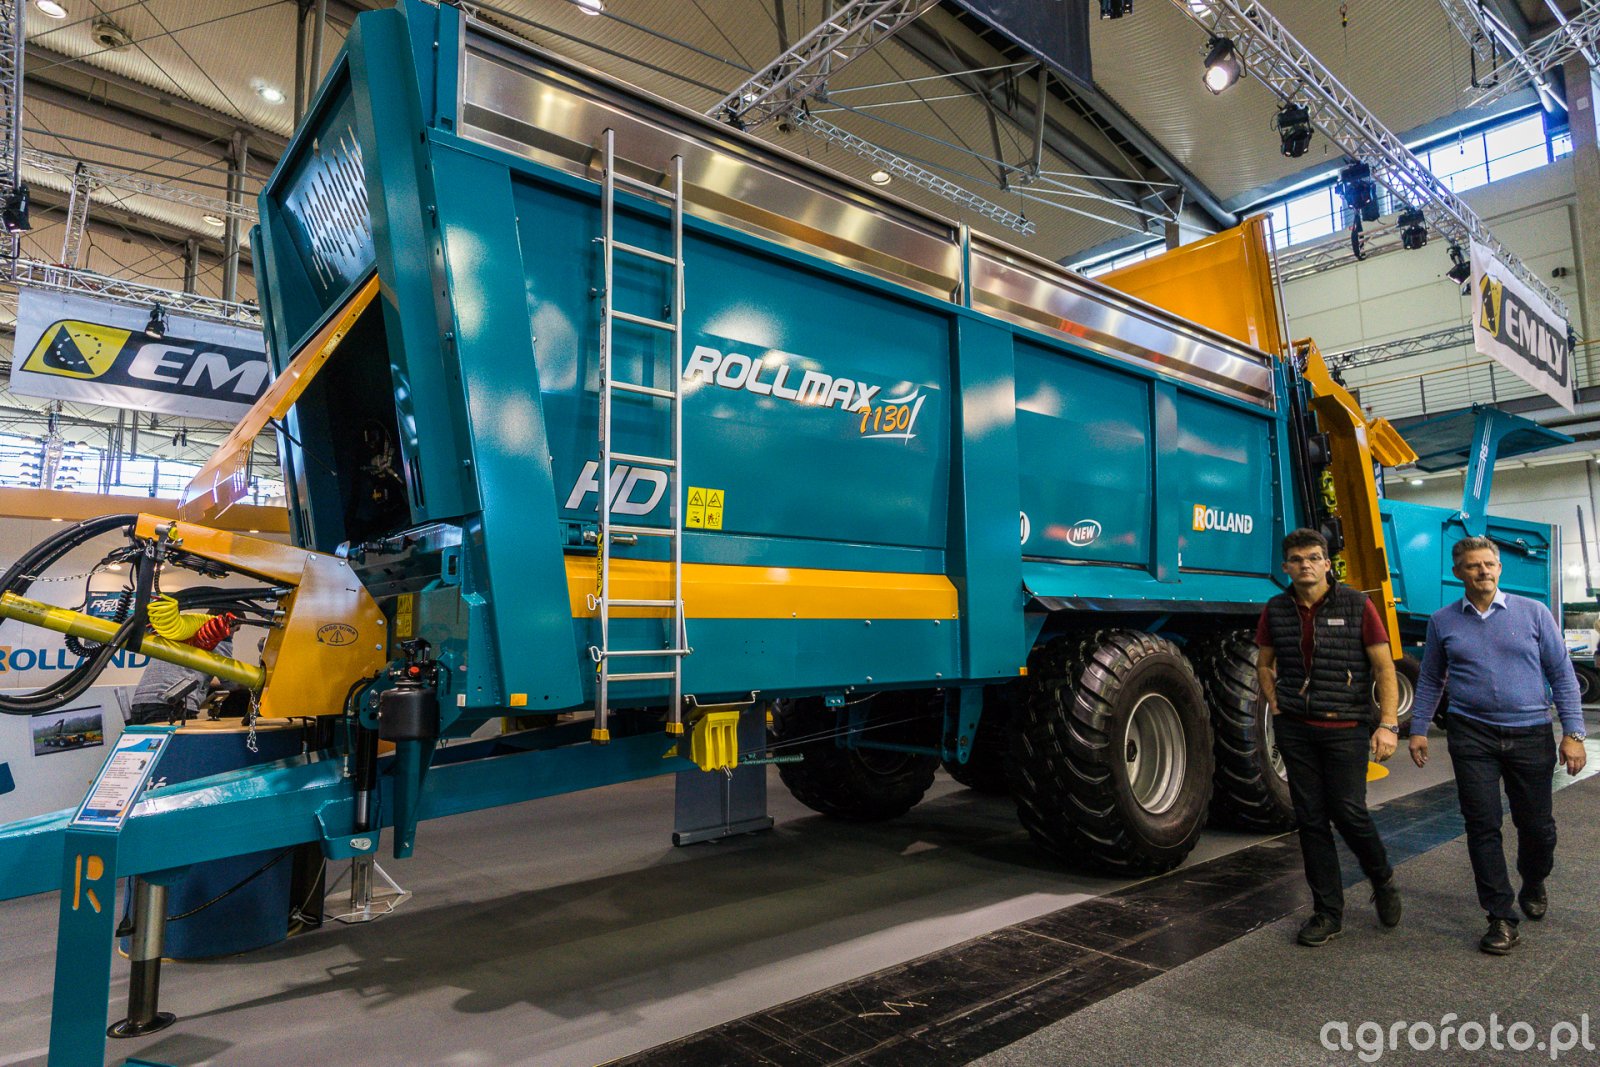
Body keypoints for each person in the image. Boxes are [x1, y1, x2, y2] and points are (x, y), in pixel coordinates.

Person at [1408, 536, 1587, 955]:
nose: (1483, 571)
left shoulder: (1533, 613)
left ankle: (1534, 879)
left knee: (1537, 827)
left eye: (1489, 564)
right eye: (1473, 565)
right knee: (1482, 825)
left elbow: (1562, 675)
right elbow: (1431, 677)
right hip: (1471, 734)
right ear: (1458, 573)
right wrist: (1418, 728)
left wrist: (1573, 734)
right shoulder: (1443, 621)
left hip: (1530, 732)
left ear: (1500, 568)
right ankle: (1500, 916)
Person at [1256, 527, 1403, 947]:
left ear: (1326, 563)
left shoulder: (1357, 605)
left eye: (1313, 557)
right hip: (1295, 729)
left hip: (1346, 728)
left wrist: (1388, 724)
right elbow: (1264, 664)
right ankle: (1327, 912)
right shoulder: (1276, 609)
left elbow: (1384, 668)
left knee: (1349, 812)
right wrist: (1275, 702)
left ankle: (1382, 878)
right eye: (1297, 559)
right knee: (1311, 820)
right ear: (1285, 567)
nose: (1306, 565)